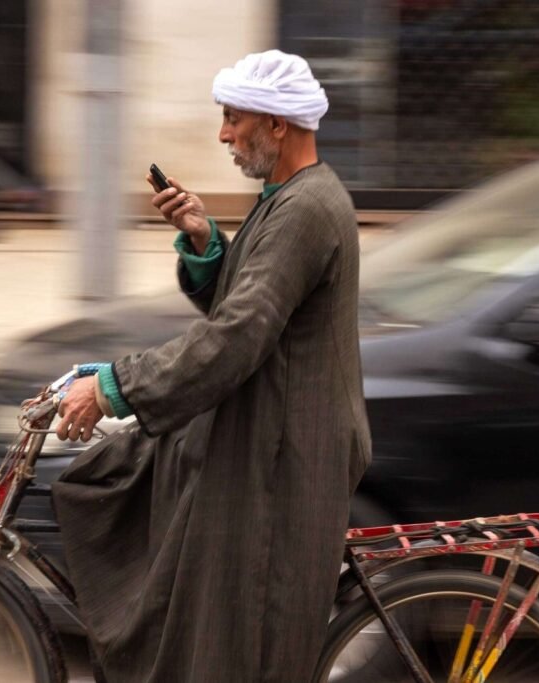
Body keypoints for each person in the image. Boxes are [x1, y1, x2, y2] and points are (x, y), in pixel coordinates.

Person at [51, 50, 372, 682]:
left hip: (284, 457)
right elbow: (252, 300)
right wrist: (203, 239)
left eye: (232, 119)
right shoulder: (286, 199)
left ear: (275, 125)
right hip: (263, 437)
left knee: (244, 637)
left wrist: (114, 388)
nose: (224, 135)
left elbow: (236, 335)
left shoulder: (304, 209)